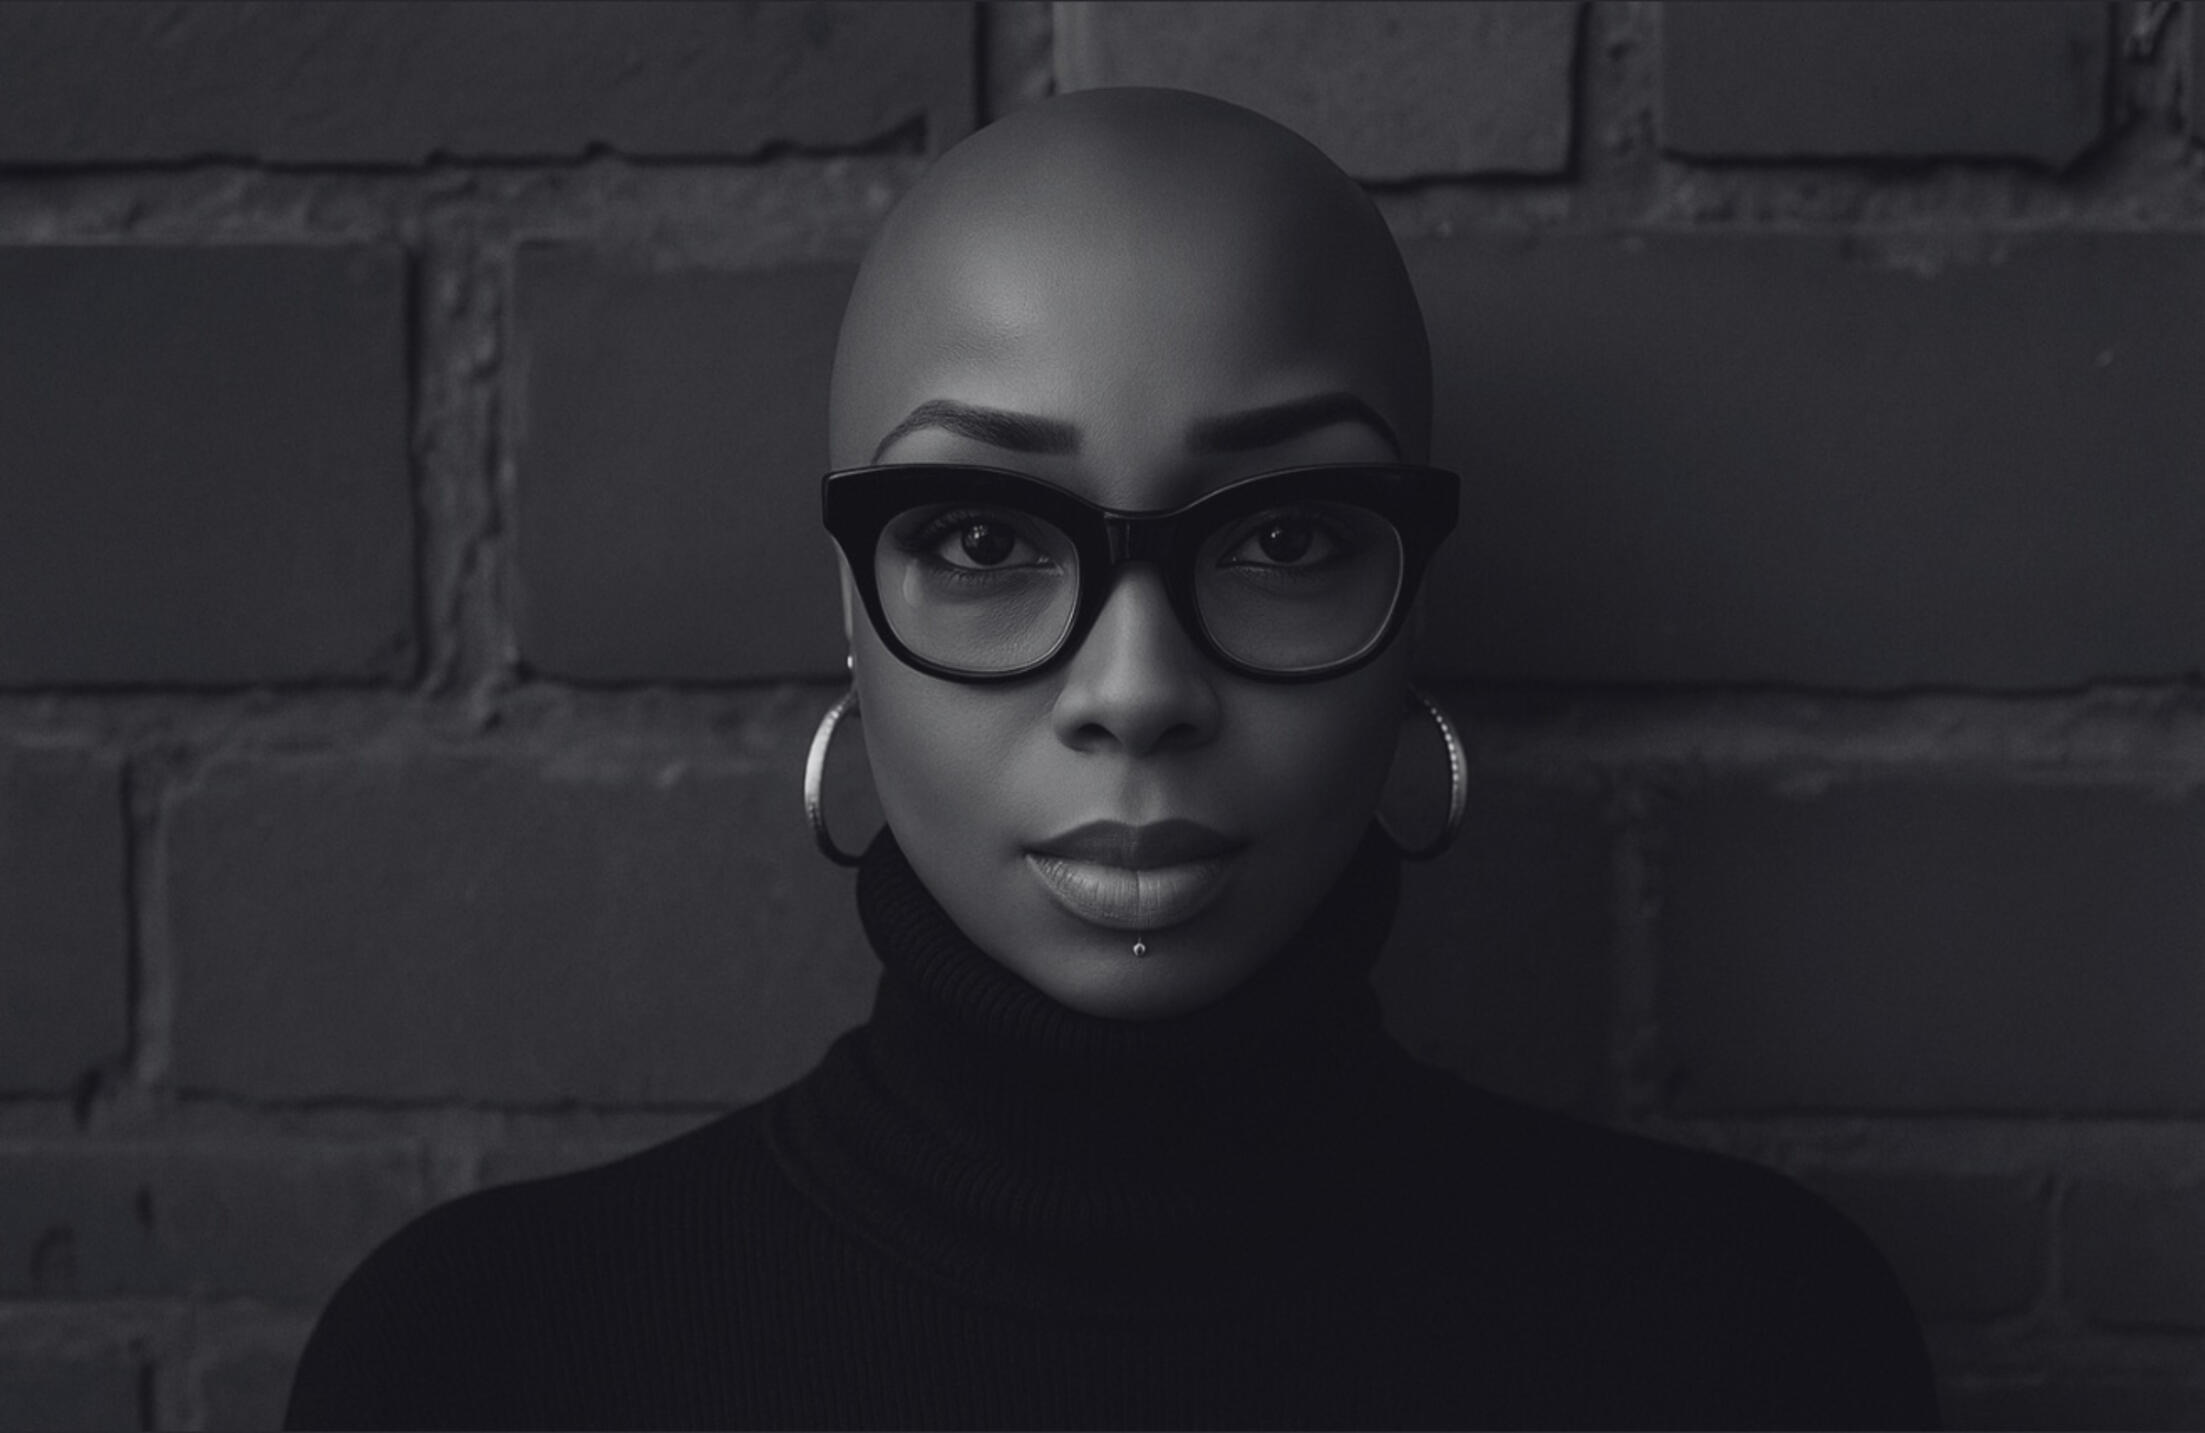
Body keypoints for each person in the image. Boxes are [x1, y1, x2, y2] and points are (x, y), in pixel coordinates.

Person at [286, 87, 1938, 1430]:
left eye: (1286, 534)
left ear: (1408, 598)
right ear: (851, 606)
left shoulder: (1748, 1343)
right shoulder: (483, 1362)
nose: (1135, 689)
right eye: (986, 536)